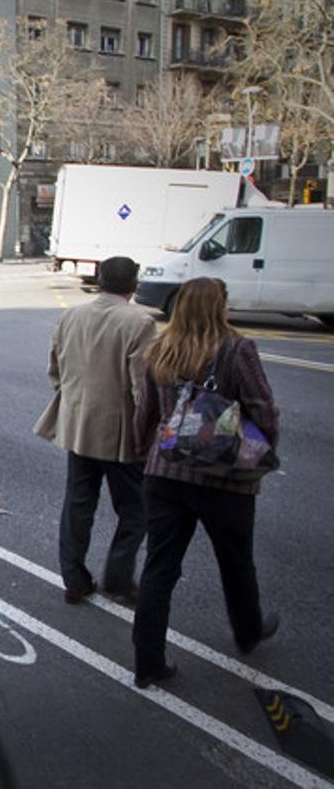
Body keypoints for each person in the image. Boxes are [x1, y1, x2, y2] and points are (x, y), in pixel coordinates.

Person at [131, 277, 279, 689]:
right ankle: (248, 631)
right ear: (220, 306)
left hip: (166, 473)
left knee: (160, 567)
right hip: (225, 479)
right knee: (235, 562)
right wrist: (263, 454)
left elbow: (144, 414)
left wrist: (146, 454)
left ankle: (148, 662)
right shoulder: (237, 349)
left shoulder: (159, 349)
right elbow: (263, 408)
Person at [35, 256, 158, 605]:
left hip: (78, 425)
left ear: (99, 281)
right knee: (135, 509)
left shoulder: (71, 315)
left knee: (78, 504)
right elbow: (141, 388)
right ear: (134, 285)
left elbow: (54, 369)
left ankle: (74, 578)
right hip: (121, 432)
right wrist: (150, 430)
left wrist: (73, 398)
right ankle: (118, 578)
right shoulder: (140, 322)